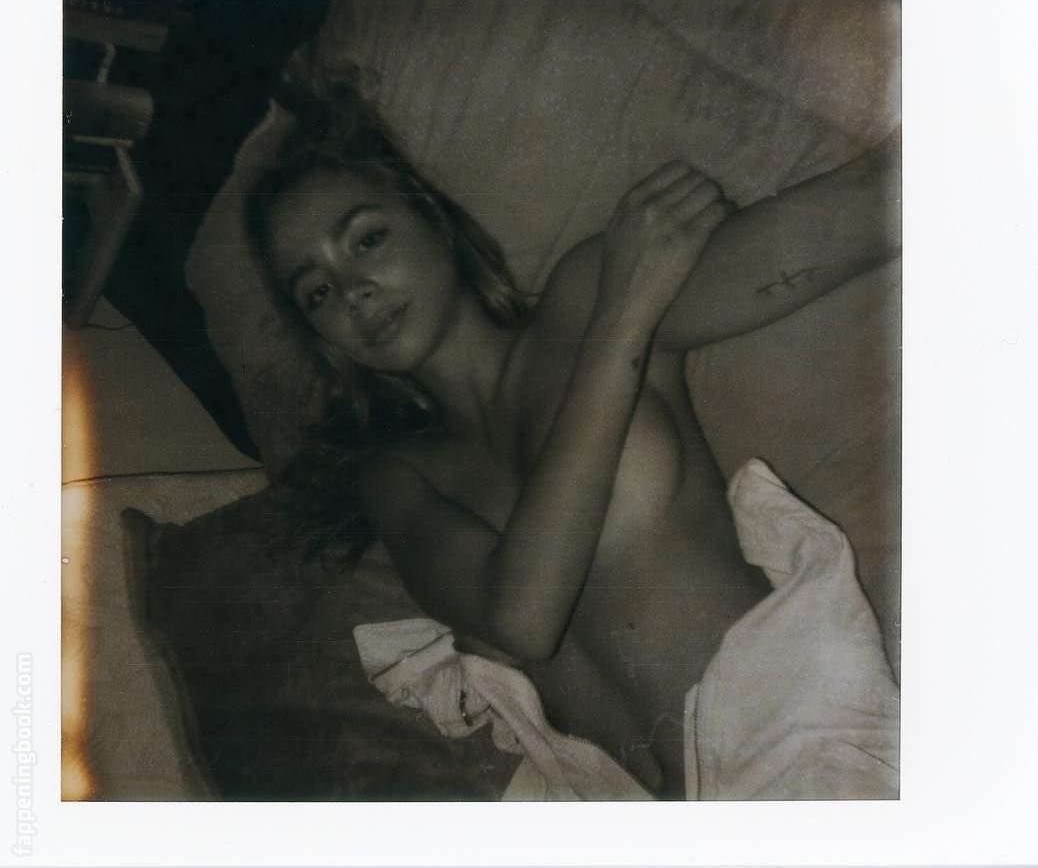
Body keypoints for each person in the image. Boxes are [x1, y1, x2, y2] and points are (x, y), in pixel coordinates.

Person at [245, 92, 901, 799]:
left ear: (433, 219)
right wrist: (625, 319)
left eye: (367, 240)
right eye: (316, 292)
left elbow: (861, 214)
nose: (353, 291)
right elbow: (523, 618)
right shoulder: (400, 478)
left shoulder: (586, 294)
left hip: (796, 756)